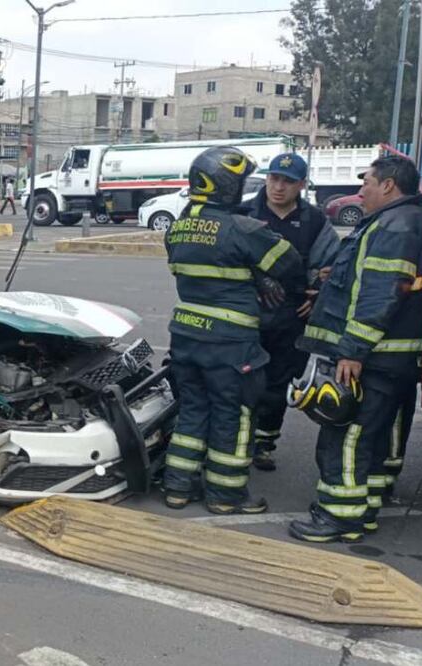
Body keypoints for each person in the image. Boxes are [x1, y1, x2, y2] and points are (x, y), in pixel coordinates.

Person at [289, 156, 422, 543]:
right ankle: (366, 505)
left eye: (367, 182)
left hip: (373, 355)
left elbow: (379, 294)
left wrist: (351, 351)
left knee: (347, 433)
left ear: (388, 186)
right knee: (375, 432)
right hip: (394, 356)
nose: (360, 191)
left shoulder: (393, 226)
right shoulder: (414, 220)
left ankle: (341, 518)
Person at [163, 146, 305, 515]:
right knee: (234, 415)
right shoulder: (244, 229)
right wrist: (259, 274)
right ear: (226, 185)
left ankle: (178, 487)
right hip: (231, 344)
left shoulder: (177, 228)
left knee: (192, 411)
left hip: (186, 338)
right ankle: (226, 495)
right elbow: (290, 265)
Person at [247, 153, 340, 471]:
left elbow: (333, 266)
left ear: (301, 184)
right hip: (248, 315)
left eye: (287, 181)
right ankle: (236, 440)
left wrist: (317, 296)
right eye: (274, 178)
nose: (278, 187)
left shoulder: (315, 221)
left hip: (291, 318)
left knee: (278, 385)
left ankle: (263, 444)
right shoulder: (245, 213)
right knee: (243, 383)